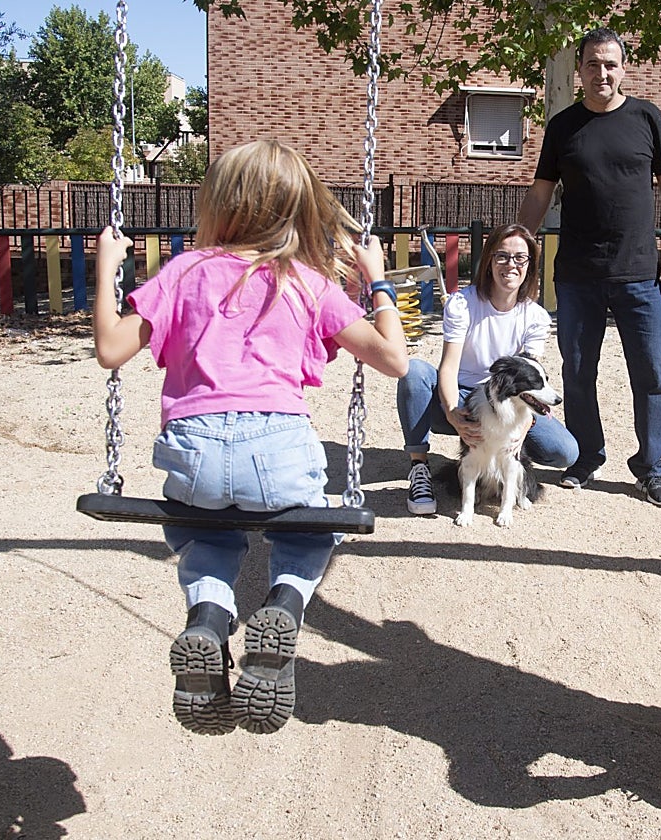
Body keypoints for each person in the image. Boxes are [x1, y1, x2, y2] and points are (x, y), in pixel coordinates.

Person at [92, 139, 409, 736]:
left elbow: (110, 348)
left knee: (205, 532)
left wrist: (108, 264)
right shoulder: (310, 283)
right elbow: (394, 359)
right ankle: (284, 606)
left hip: (194, 453)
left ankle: (209, 619)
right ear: (296, 210)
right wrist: (378, 281)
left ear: (218, 203)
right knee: (312, 525)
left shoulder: (184, 270)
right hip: (280, 449)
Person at [517, 27, 661, 507]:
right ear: (580, 72)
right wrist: (520, 246)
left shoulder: (646, 117)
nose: (601, 73)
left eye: (610, 64)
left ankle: (652, 468)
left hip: (639, 274)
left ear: (622, 68)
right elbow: (541, 191)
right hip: (578, 274)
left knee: (651, 372)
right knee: (577, 370)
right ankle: (587, 455)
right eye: (592, 64)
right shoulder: (563, 126)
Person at [398, 223, 578, 514]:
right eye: (502, 256)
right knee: (415, 372)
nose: (511, 265)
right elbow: (448, 368)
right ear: (489, 261)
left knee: (564, 452)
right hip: (465, 397)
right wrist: (453, 414)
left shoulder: (535, 316)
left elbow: (530, 381)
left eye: (520, 257)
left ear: (530, 265)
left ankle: (502, 466)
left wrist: (524, 426)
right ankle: (419, 467)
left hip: (509, 403)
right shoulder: (463, 304)